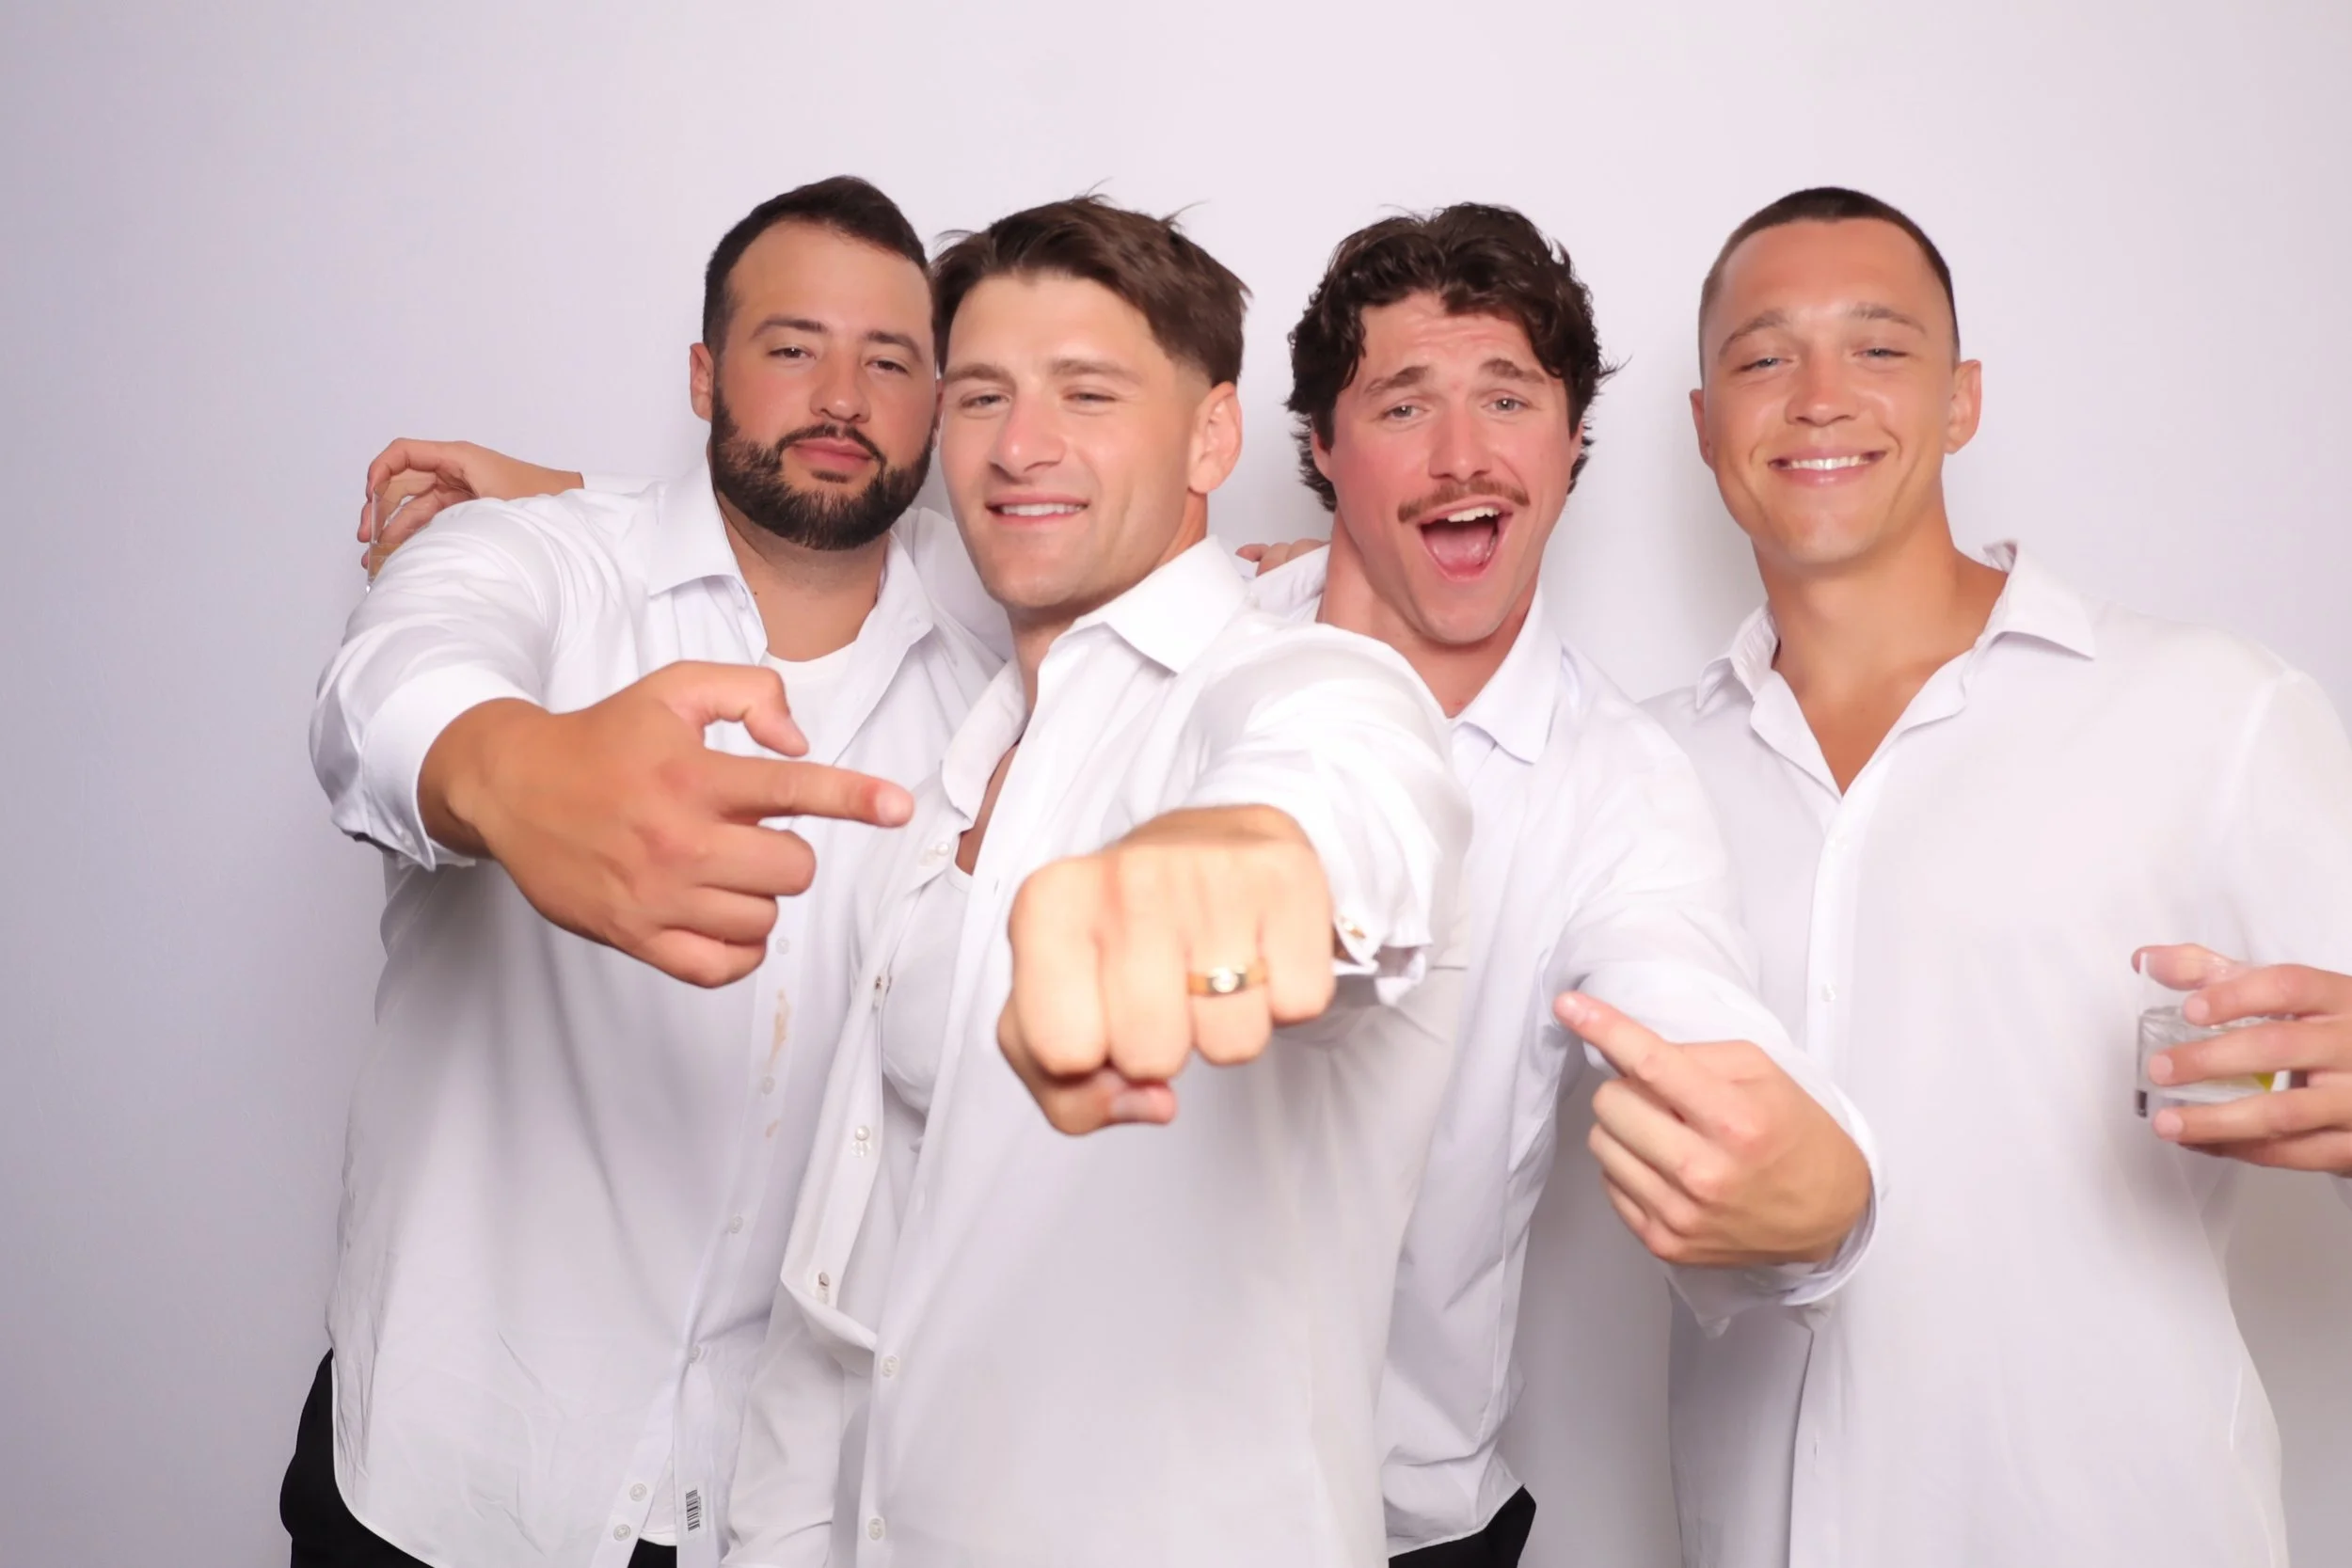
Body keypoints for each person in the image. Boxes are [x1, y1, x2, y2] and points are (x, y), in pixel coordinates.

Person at [720, 195, 1471, 1568]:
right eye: (984, 395)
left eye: (1088, 392)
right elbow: (856, 1259)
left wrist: (1234, 873)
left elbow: (1346, 797)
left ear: (1213, 435)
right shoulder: (973, 727)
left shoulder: (1289, 684)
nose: (1021, 445)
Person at [293, 176, 998, 1568]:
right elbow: (383, 692)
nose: (842, 395)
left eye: (891, 361)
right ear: (703, 373)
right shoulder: (533, 557)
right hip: (454, 1473)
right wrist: (515, 774)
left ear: (939, 403)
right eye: (793, 347)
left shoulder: (991, 713)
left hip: (776, 1509)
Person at [1650, 185, 2352, 1568]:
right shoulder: (1644, 773)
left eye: (1881, 347)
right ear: (1704, 423)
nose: (1819, 396)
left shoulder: (2215, 711)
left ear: (1964, 400)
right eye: (1764, 355)